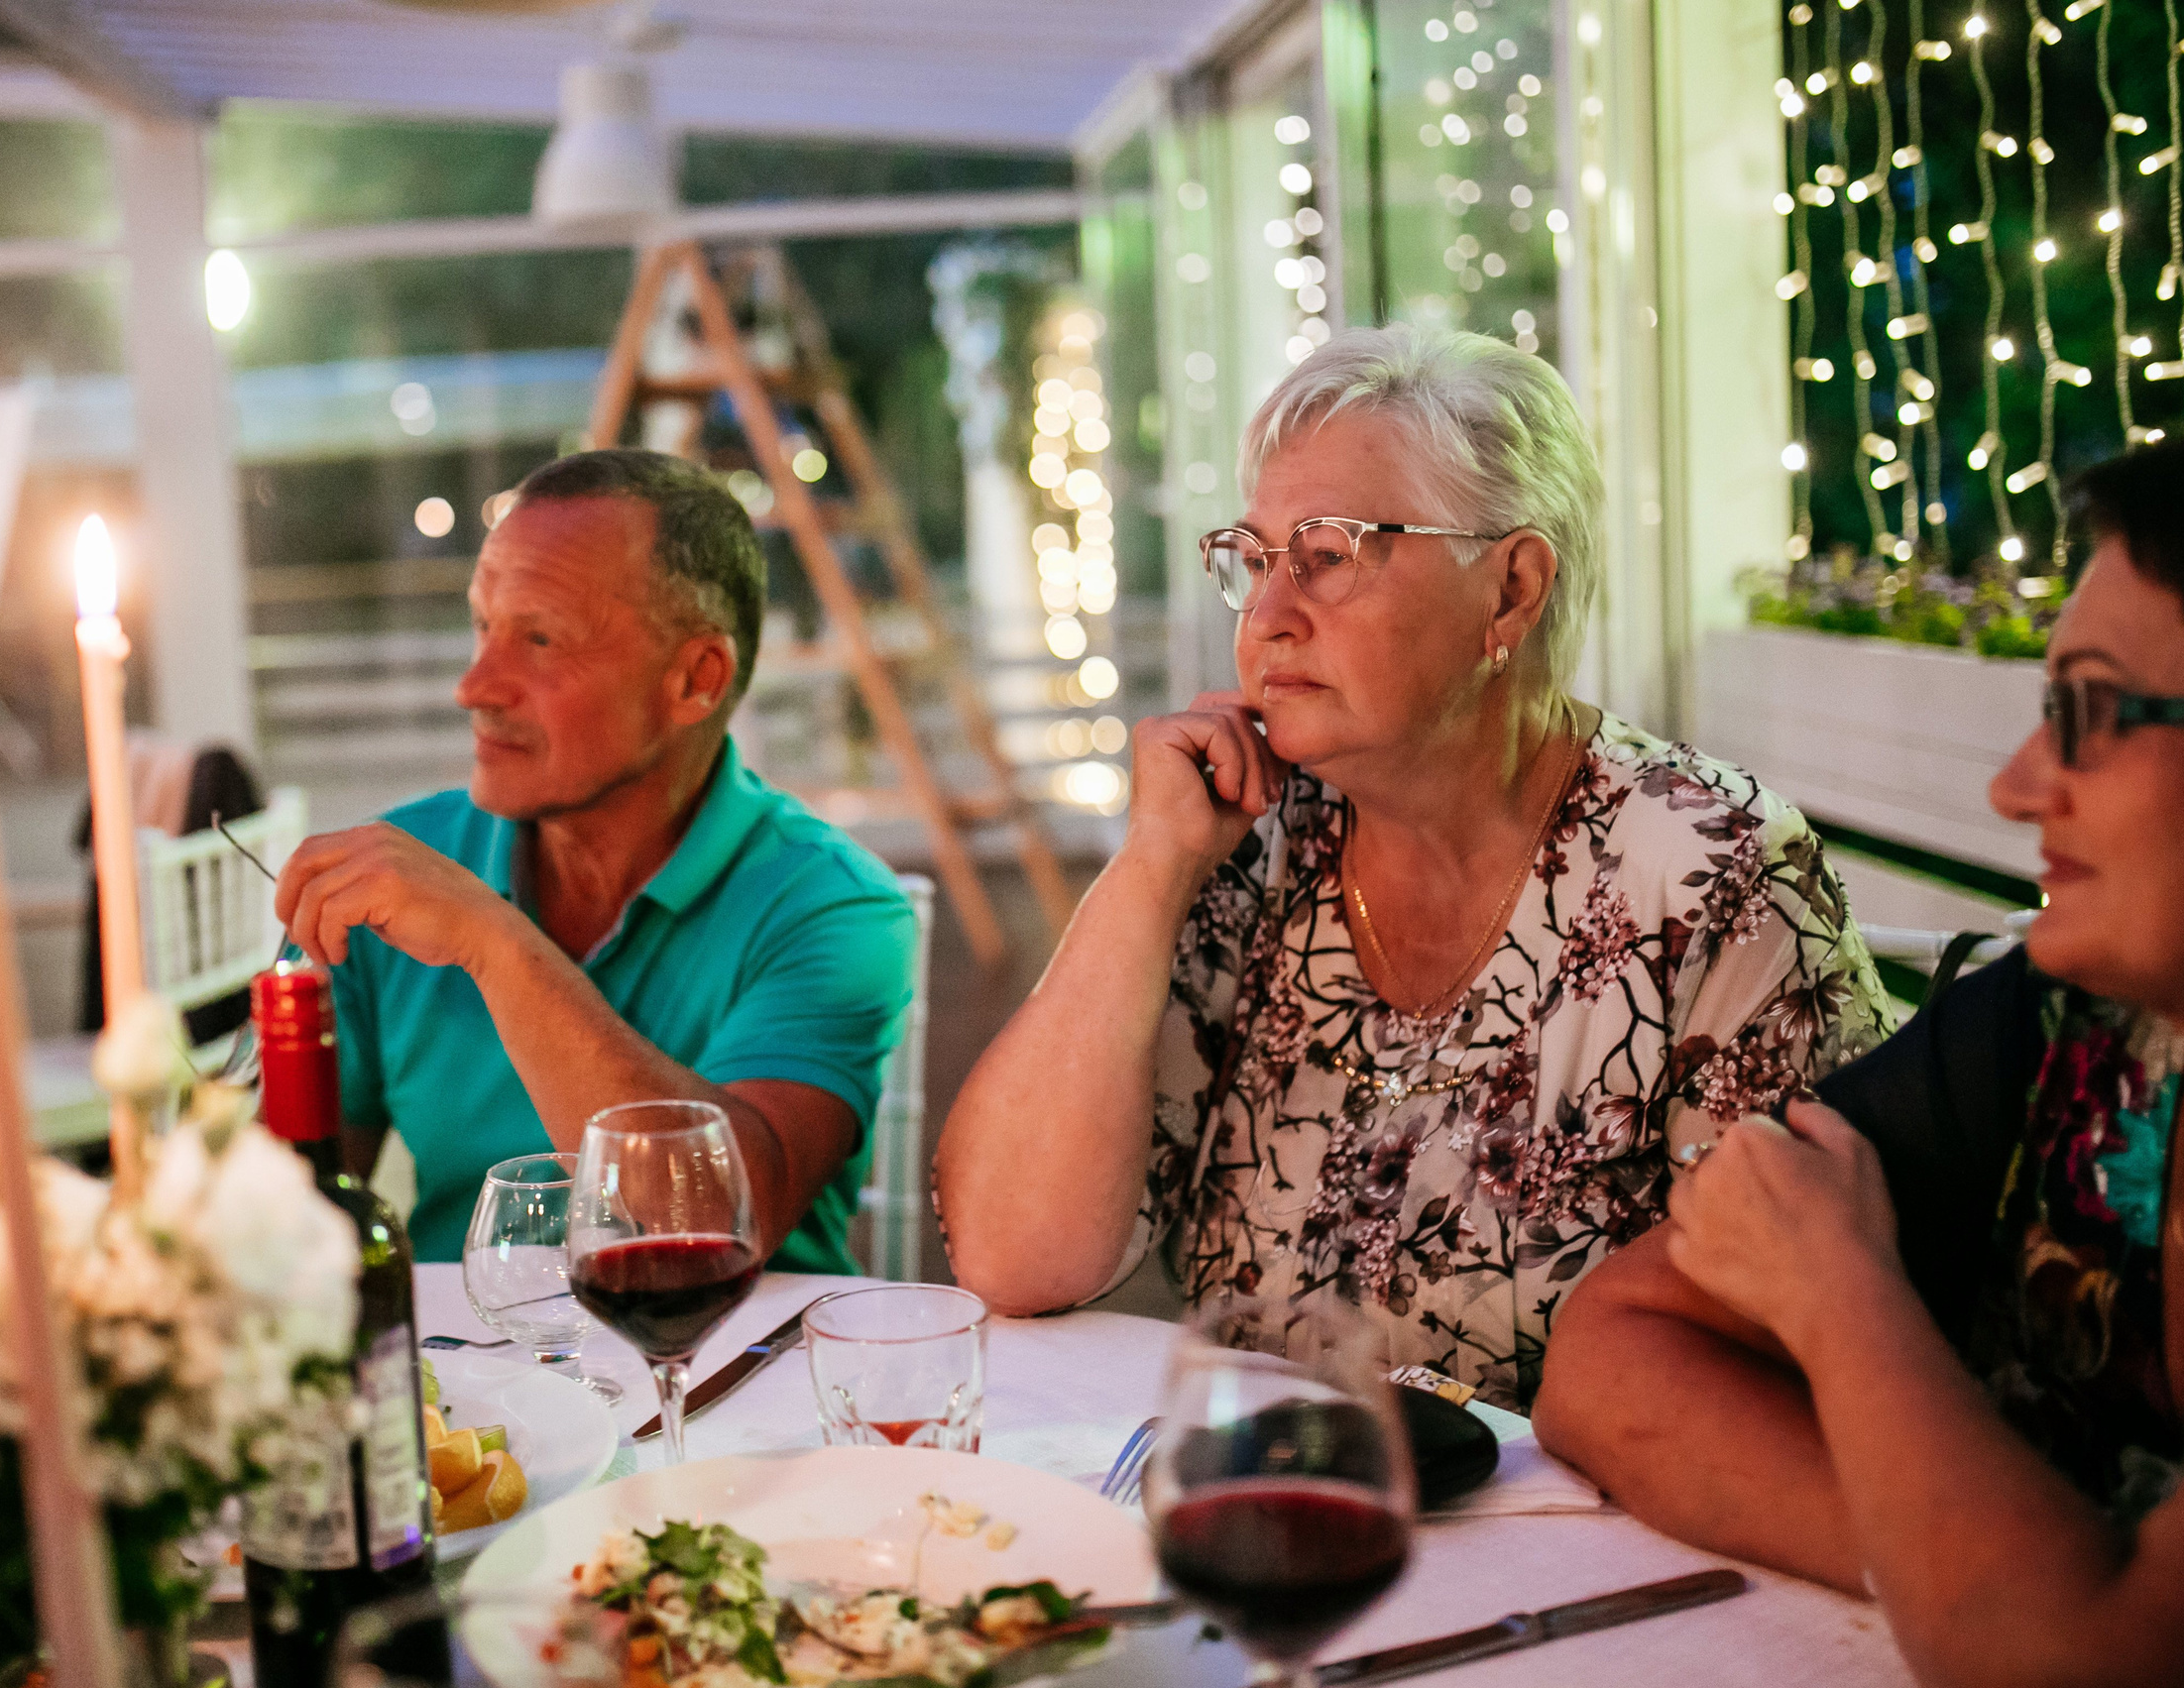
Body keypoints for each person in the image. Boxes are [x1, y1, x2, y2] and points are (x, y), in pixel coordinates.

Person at [935, 324, 1891, 1407]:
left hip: (1586, 1539)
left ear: (1511, 591)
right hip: (1278, 1507)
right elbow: (1014, 1256)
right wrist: (1152, 868)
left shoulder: (1710, 873)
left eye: (1327, 556)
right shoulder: (1249, 844)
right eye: (1253, 560)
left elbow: (1794, 1337)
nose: (1268, 616)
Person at [1533, 428, 2184, 1688]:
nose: (2017, 788)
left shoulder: (1685, 850)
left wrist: (1839, 1294)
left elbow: (2087, 1668)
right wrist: (1980, 1567)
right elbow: (1609, 1357)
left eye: (2090, 712)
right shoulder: (2067, 1039)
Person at [273, 449, 917, 1272]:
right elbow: (286, 1225)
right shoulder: (395, 880)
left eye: (541, 638)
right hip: (461, 1386)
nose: (476, 685)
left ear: (696, 678)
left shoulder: (833, 905)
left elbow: (718, 1220)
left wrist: (493, 943)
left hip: (735, 1383)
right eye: (482, 626)